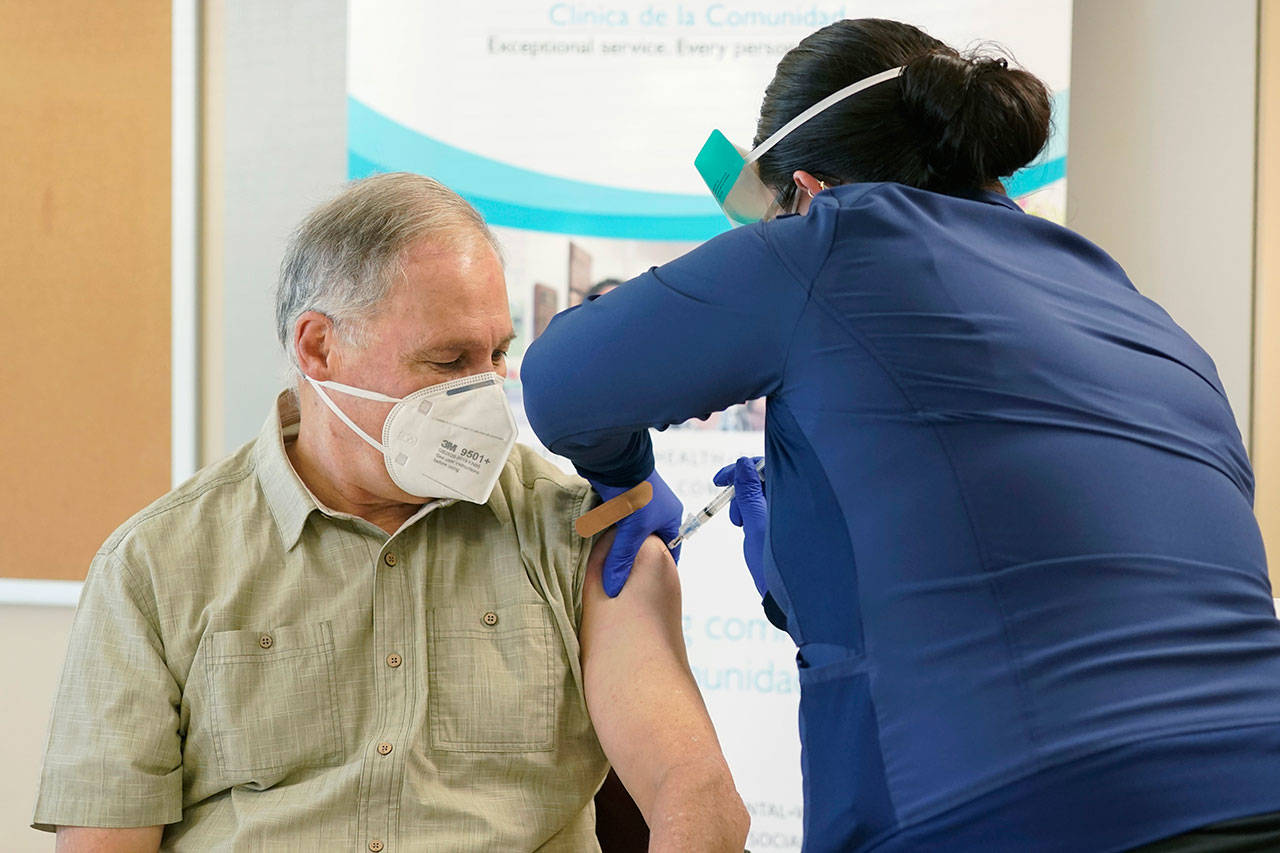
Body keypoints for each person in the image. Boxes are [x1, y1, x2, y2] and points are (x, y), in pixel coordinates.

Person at [521, 17, 1280, 853]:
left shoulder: (835, 240)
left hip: (1019, 810)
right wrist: (801, 576)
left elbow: (561, 384)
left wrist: (628, 478)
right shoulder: (1135, 308)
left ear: (803, 192)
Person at [32, 173, 749, 852]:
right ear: (319, 346)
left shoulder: (575, 536)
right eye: (445, 361)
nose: (482, 393)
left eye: (495, 354)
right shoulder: (157, 566)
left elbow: (699, 793)